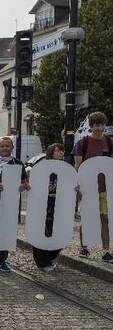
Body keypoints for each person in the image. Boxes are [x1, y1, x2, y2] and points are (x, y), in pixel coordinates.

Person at [0, 137, 29, 273]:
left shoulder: (18, 163)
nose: (4, 148)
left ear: (12, 148)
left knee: (8, 232)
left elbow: (24, 181)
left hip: (12, 202)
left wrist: (23, 186)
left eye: (7, 146)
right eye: (2, 146)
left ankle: (2, 261)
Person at [74, 111, 113, 263]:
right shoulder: (82, 143)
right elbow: (78, 166)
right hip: (88, 187)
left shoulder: (109, 142)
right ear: (91, 126)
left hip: (105, 188)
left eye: (102, 125)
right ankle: (83, 246)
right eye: (97, 125)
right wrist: (78, 186)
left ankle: (105, 251)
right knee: (88, 218)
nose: (100, 128)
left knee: (105, 218)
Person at [31, 143, 64, 271]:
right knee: (42, 230)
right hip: (43, 201)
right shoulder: (42, 166)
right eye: (57, 151)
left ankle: (50, 255)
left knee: (58, 230)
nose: (60, 153)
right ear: (51, 152)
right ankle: (43, 261)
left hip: (60, 202)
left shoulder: (66, 167)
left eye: (62, 151)